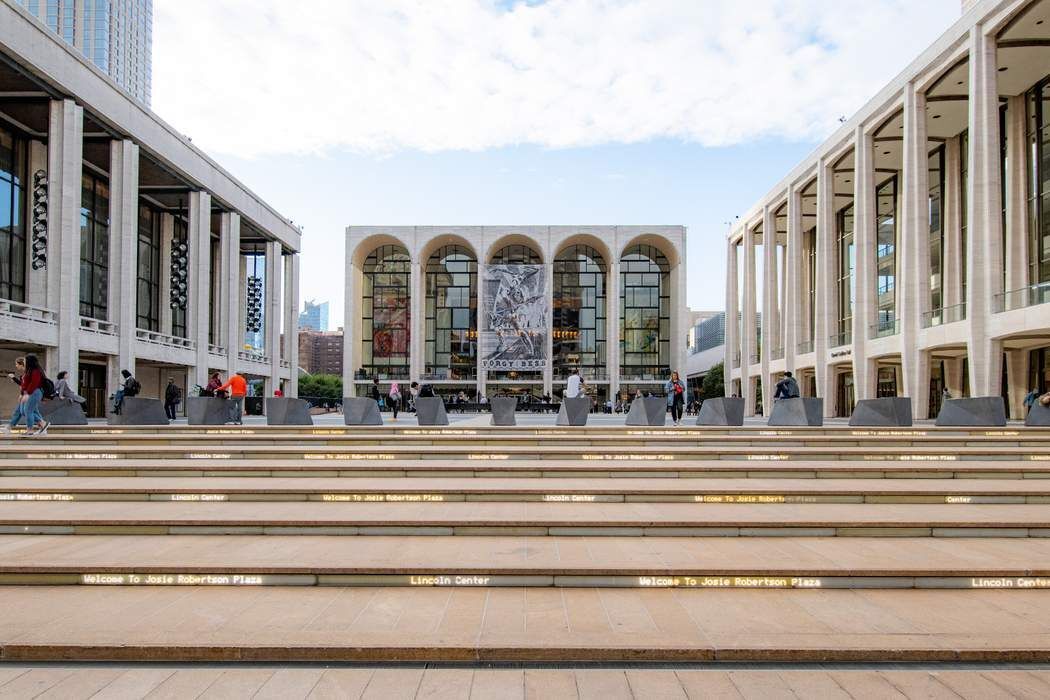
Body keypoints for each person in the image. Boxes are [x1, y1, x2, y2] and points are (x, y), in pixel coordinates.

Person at [16, 354, 49, 437]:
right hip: (28, 392)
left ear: (29, 361)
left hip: (34, 392)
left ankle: (30, 430)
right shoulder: (28, 370)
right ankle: (42, 423)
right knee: (23, 411)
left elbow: (34, 383)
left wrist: (27, 393)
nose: (24, 362)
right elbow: (24, 384)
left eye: (25, 360)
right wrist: (22, 393)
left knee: (28, 411)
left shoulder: (36, 371)